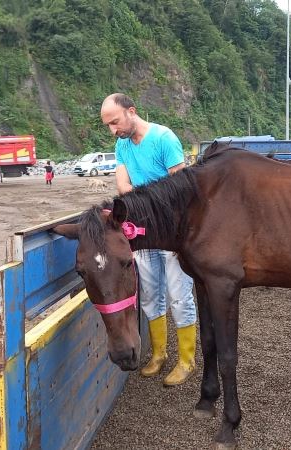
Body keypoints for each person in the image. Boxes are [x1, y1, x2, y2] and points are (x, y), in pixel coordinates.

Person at [100, 93, 197, 386]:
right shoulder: (122, 146)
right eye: (108, 125)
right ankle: (158, 354)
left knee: (180, 296)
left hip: (172, 234)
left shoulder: (164, 139)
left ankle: (186, 359)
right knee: (152, 296)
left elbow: (181, 191)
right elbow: (122, 185)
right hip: (141, 235)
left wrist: (146, 203)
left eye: (115, 122)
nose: (113, 131)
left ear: (132, 111)